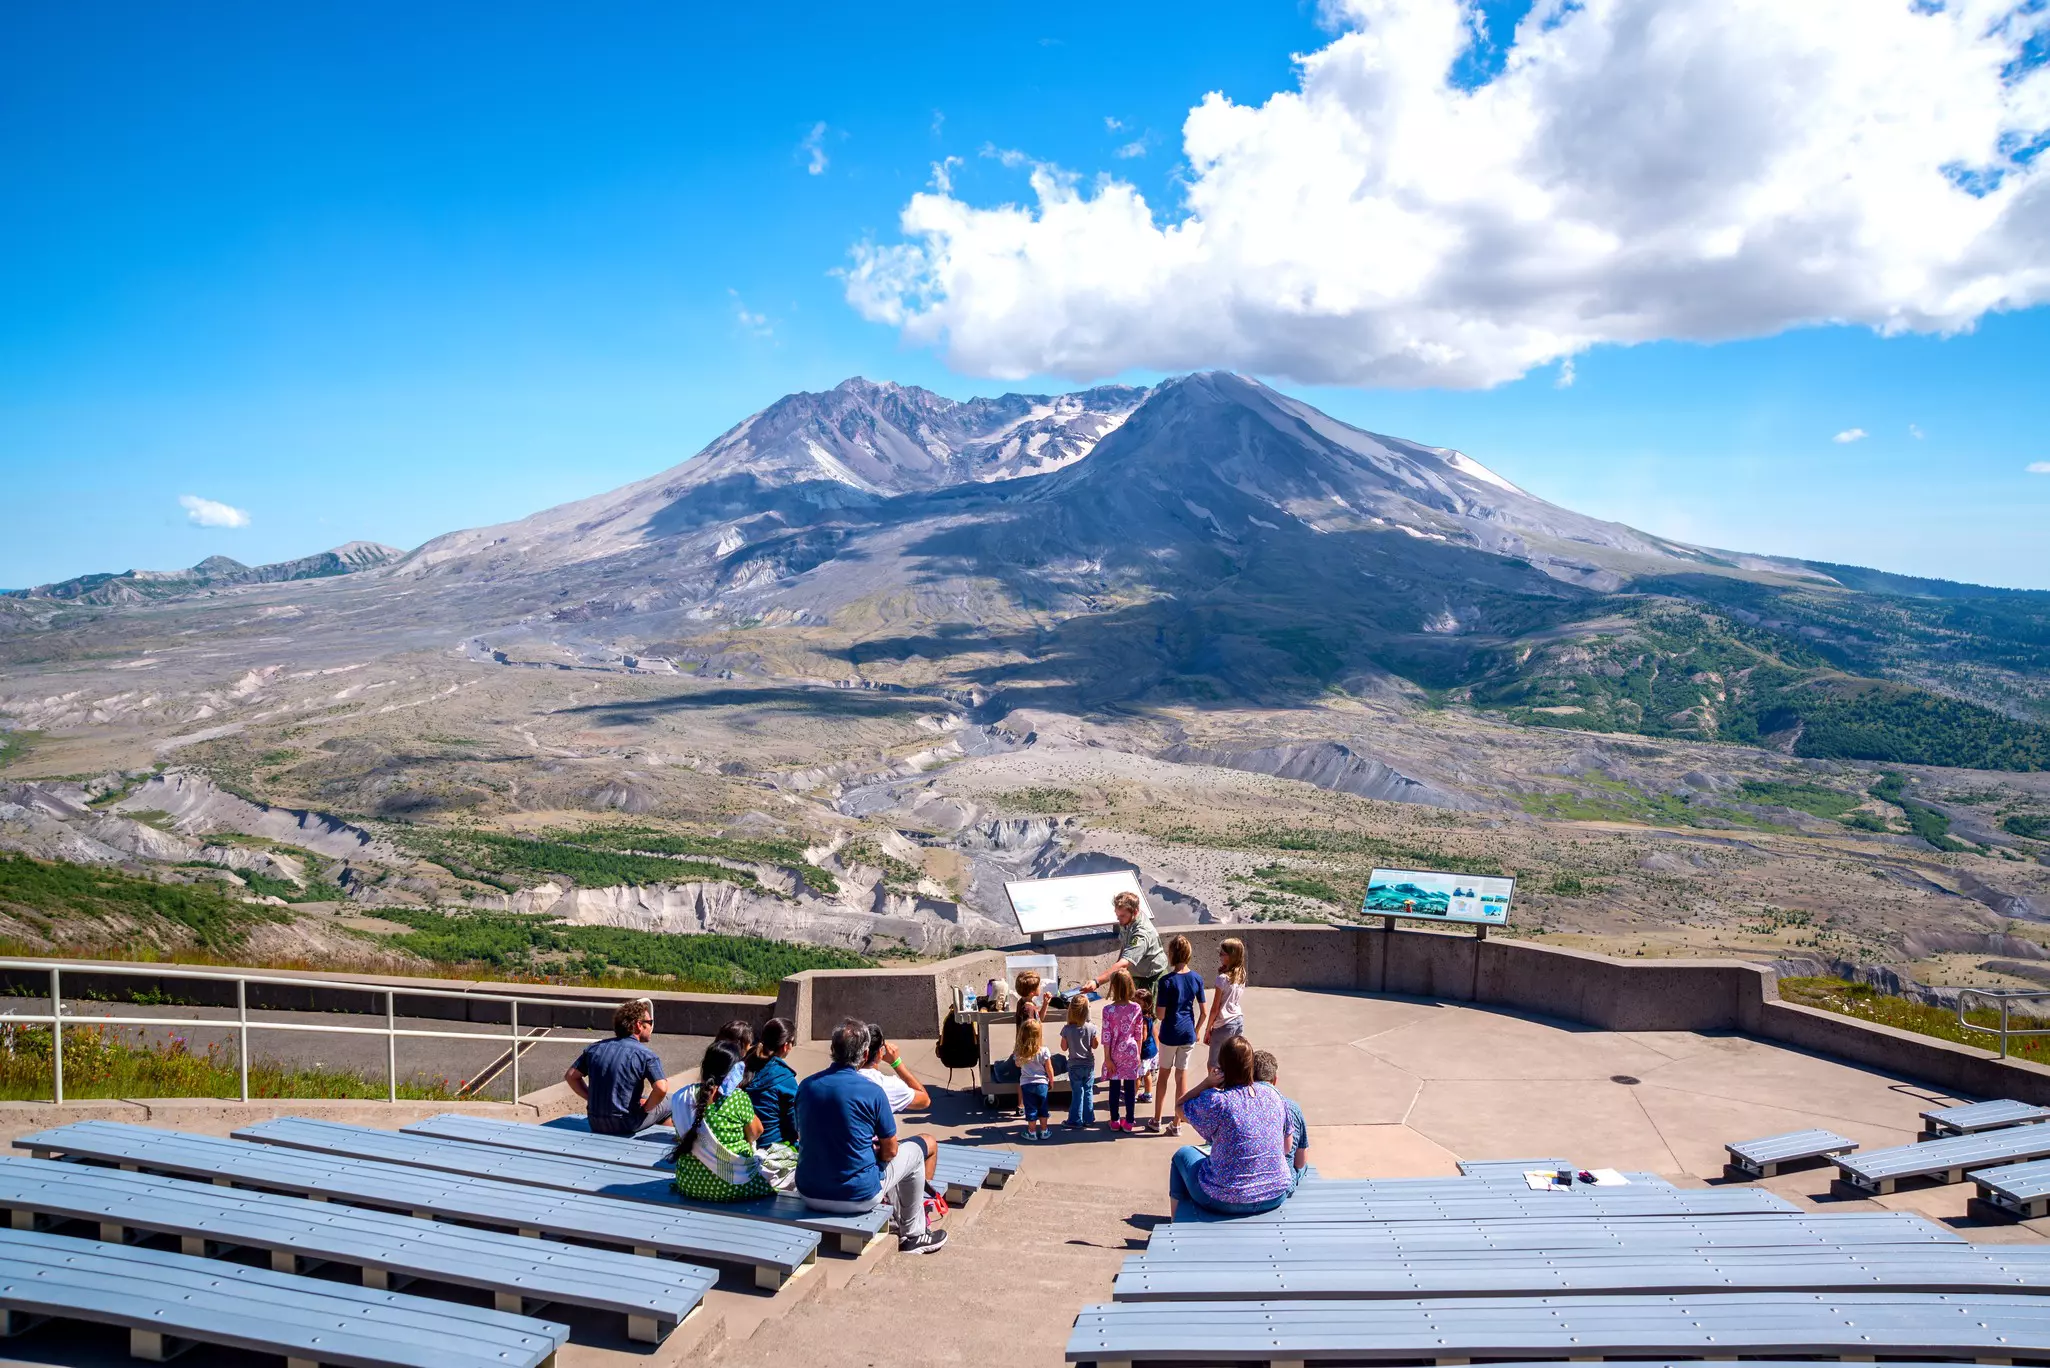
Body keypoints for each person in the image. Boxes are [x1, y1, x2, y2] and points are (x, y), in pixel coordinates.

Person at [794, 1018, 947, 1255]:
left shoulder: (806, 1086)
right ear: (866, 1055)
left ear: (832, 1050)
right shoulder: (873, 1092)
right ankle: (914, 1233)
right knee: (917, 1150)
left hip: (809, 1192)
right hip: (858, 1196)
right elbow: (891, 1150)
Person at [1170, 1035, 1293, 1217]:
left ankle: (1176, 1220)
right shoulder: (1273, 1094)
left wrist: (1206, 1083)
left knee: (1182, 1155)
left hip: (1225, 1198)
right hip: (1275, 1193)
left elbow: (1179, 1107)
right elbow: (1286, 1143)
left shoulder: (1218, 1101)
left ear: (1222, 1067)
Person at [669, 1039, 775, 1202]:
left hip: (688, 1183)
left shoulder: (681, 1097)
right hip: (733, 1184)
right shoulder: (737, 1099)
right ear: (733, 1071)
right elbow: (756, 1132)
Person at [565, 998, 673, 1136]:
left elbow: (571, 1076)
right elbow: (661, 1088)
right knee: (672, 1102)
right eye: (650, 1023)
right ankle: (662, 1144)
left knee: (645, 1097)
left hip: (595, 1122)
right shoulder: (645, 1055)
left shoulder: (595, 1049)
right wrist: (646, 1108)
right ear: (639, 1025)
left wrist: (590, 1097)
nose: (652, 1027)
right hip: (626, 1123)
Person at [1150, 935, 1206, 1136]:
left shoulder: (1166, 981)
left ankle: (1156, 1119)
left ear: (1171, 954)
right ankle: (1177, 1122)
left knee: (1164, 1076)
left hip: (1169, 1034)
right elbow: (1204, 1011)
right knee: (1182, 1076)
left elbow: (1161, 1014)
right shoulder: (1197, 979)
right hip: (1187, 1033)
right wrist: (1197, 1030)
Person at [1090, 891, 1169, 999]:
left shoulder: (1141, 934)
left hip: (1150, 979)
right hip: (1136, 975)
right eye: (1117, 915)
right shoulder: (1127, 921)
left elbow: (1124, 963)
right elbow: (1125, 948)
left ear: (1135, 912)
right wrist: (1116, 977)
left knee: (1148, 1014)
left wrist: (1097, 982)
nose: (1119, 919)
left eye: (1122, 916)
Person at [1252, 1049, 1310, 1189]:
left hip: (1243, 1186)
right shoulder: (1291, 1108)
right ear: (1275, 1080)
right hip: (1282, 1186)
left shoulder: (1238, 1104)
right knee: (1304, 1166)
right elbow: (1300, 1162)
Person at [743, 1016, 800, 1149]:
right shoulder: (785, 1078)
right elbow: (794, 1124)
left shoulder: (745, 1064)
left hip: (745, 1143)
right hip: (774, 1146)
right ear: (786, 1046)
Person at [1099, 968, 1146, 1133]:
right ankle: (1130, 1121)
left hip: (1114, 1052)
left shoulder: (1108, 1010)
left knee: (1114, 1087)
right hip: (1132, 1051)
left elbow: (1106, 1036)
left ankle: (1114, 1120)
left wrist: (1107, 1058)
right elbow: (1139, 1033)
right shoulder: (1136, 1008)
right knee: (1130, 1087)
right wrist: (1138, 1054)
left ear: (1114, 987)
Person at [857, 1023, 932, 1113]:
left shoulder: (838, 1076)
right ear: (880, 1052)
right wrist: (897, 1063)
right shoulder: (889, 1086)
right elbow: (924, 1100)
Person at [1202, 938, 1247, 1071]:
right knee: (1232, 1059)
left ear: (1231, 956)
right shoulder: (1241, 974)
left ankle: (1215, 1090)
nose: (1220, 956)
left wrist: (1208, 1029)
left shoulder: (1222, 979)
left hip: (1224, 1023)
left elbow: (1215, 1008)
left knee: (1213, 1064)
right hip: (1238, 1019)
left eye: (1222, 954)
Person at [1060, 996, 1099, 1129]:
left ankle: (1075, 1119)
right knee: (1088, 1090)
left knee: (1077, 1092)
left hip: (1074, 1065)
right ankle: (1089, 1118)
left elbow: (1064, 1047)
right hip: (1088, 1064)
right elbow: (1095, 1046)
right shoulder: (1091, 1028)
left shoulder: (1067, 1029)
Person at [1014, 1018, 1055, 1141]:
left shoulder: (1020, 1051)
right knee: (1043, 1107)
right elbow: (1049, 1068)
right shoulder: (1044, 1051)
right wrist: (1051, 1081)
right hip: (1042, 1084)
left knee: (1031, 1108)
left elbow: (1017, 1064)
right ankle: (1044, 1131)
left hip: (1026, 1084)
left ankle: (1031, 1132)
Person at [1135, 987, 1159, 1112]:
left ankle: (1132, 1095)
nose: (1135, 1004)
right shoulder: (1149, 1016)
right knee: (1148, 1073)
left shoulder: (1142, 1019)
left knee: (1137, 1076)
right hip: (1151, 1050)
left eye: (1138, 1002)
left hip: (1144, 1052)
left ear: (1146, 1005)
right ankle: (1148, 1094)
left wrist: (1134, 1039)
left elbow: (1143, 1037)